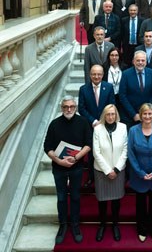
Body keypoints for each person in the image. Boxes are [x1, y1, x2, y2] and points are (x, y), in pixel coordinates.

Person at [44, 95, 92, 245]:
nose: (69, 109)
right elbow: (47, 147)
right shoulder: (54, 124)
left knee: (76, 197)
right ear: (61, 108)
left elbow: (89, 144)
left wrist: (76, 158)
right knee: (62, 197)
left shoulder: (83, 122)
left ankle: (75, 225)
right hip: (59, 168)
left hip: (76, 167)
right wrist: (59, 160)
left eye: (71, 106)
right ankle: (63, 225)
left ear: (75, 107)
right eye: (66, 107)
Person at [127, 103, 152, 242]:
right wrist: (140, 172)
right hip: (139, 175)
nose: (147, 116)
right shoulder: (133, 130)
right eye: (145, 114)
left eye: (150, 114)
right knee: (141, 204)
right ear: (140, 115)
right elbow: (130, 153)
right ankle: (142, 229)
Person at [93, 104, 127, 242]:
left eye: (113, 114)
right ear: (104, 115)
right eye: (108, 114)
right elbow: (96, 152)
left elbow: (125, 149)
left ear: (116, 114)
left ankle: (115, 225)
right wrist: (108, 171)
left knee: (116, 200)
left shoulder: (123, 127)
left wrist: (117, 169)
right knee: (102, 201)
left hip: (118, 170)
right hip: (102, 171)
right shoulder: (97, 129)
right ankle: (102, 225)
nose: (110, 117)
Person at [78, 64, 115, 186]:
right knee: (91, 151)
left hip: (106, 124)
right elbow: (81, 108)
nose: (96, 76)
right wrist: (94, 121)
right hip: (90, 126)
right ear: (90, 75)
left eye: (99, 74)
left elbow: (112, 106)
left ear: (103, 75)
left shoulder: (109, 87)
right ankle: (91, 177)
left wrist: (103, 120)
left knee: (106, 149)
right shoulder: (83, 89)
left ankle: (106, 173)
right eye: (94, 74)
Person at [119, 51, 152, 127]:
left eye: (143, 60)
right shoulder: (126, 74)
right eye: (138, 60)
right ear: (133, 61)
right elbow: (122, 96)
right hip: (130, 117)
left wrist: (146, 111)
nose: (140, 62)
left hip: (147, 116)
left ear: (146, 62)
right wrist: (133, 114)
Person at [103, 47, 127, 113]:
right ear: (109, 56)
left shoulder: (124, 68)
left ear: (119, 56)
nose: (114, 57)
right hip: (108, 96)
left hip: (120, 96)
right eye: (112, 55)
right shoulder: (104, 67)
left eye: (116, 55)